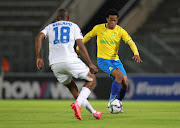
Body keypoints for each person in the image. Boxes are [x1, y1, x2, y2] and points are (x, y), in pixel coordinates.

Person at [35, 9, 102, 120]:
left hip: (55, 64)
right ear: (68, 17)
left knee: (72, 88)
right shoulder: (73, 26)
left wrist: (38, 57)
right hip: (70, 59)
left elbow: (38, 37)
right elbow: (81, 46)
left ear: (57, 18)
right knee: (92, 79)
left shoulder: (50, 27)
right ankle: (78, 104)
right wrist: (90, 63)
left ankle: (93, 112)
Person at [77, 9, 143, 112]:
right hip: (103, 60)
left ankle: (117, 103)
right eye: (111, 20)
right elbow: (87, 37)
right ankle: (111, 101)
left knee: (125, 83)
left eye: (115, 21)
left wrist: (136, 53)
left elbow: (130, 42)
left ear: (117, 20)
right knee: (119, 75)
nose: (113, 23)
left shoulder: (120, 30)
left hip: (116, 60)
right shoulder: (98, 28)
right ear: (107, 19)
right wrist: (78, 48)